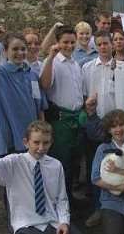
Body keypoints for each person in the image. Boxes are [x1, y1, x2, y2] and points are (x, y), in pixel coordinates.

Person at [0, 119, 81, 234]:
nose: (41, 148)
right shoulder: (13, 163)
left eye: (46, 143)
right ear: (26, 142)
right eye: (36, 142)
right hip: (26, 225)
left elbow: (61, 199)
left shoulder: (56, 165)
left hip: (53, 222)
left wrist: (64, 221)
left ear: (51, 142)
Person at [0, 26, 47, 157]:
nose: (20, 52)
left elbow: (39, 106)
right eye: (15, 49)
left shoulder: (32, 75)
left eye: (23, 49)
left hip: (32, 141)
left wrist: (43, 132)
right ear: (5, 51)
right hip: (9, 141)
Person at [40, 25, 84, 200]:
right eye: (65, 42)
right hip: (61, 121)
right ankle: (59, 203)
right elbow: (44, 85)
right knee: (61, 163)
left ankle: (70, 200)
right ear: (57, 42)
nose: (69, 46)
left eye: (73, 42)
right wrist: (50, 57)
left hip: (77, 119)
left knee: (74, 163)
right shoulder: (52, 62)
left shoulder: (75, 64)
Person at [81, 30, 116, 226]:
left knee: (115, 166)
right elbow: (84, 96)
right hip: (94, 122)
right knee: (95, 169)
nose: (103, 47)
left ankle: (114, 208)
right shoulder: (86, 68)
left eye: (106, 43)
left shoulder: (120, 67)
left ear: (112, 44)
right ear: (95, 46)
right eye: (100, 44)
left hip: (115, 125)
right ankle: (97, 208)